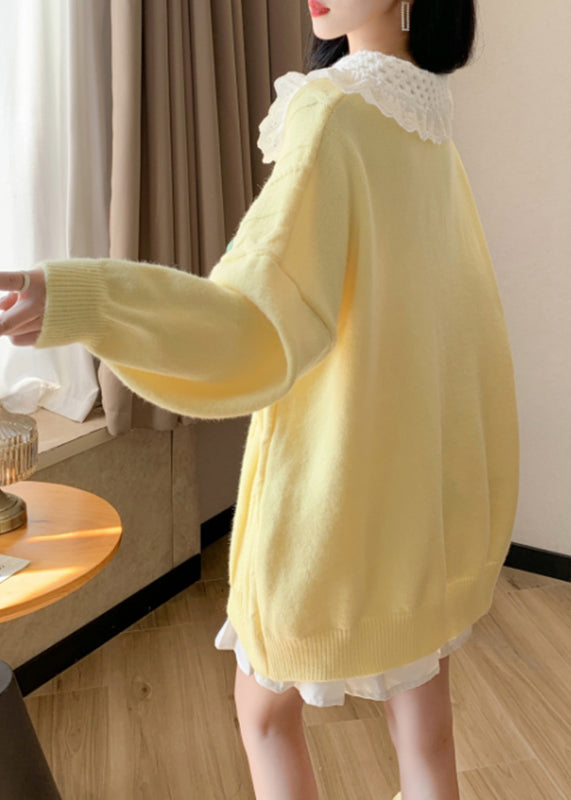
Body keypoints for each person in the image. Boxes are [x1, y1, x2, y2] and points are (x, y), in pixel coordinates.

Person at [0, 1, 520, 799]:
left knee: (264, 713)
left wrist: (87, 301)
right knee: (424, 730)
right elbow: (456, 318)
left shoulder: (335, 112)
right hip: (423, 496)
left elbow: (252, 324)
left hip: (332, 499)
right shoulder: (427, 115)